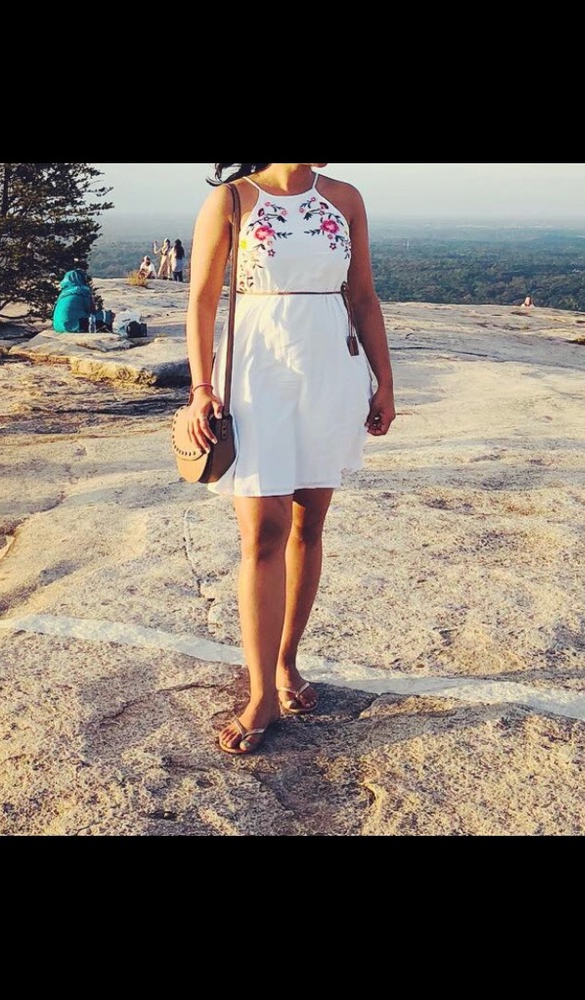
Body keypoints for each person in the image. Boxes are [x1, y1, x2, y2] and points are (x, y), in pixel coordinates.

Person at [184, 162, 396, 756]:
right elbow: (201, 300)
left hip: (328, 371)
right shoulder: (231, 200)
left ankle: (286, 663)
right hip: (257, 373)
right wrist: (202, 388)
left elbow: (363, 295)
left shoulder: (346, 198)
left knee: (308, 524)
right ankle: (260, 696)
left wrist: (384, 381)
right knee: (263, 534)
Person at [52, 260, 96, 332]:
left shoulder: (63, 293)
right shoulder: (82, 291)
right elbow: (91, 311)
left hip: (58, 327)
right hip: (74, 326)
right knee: (104, 317)